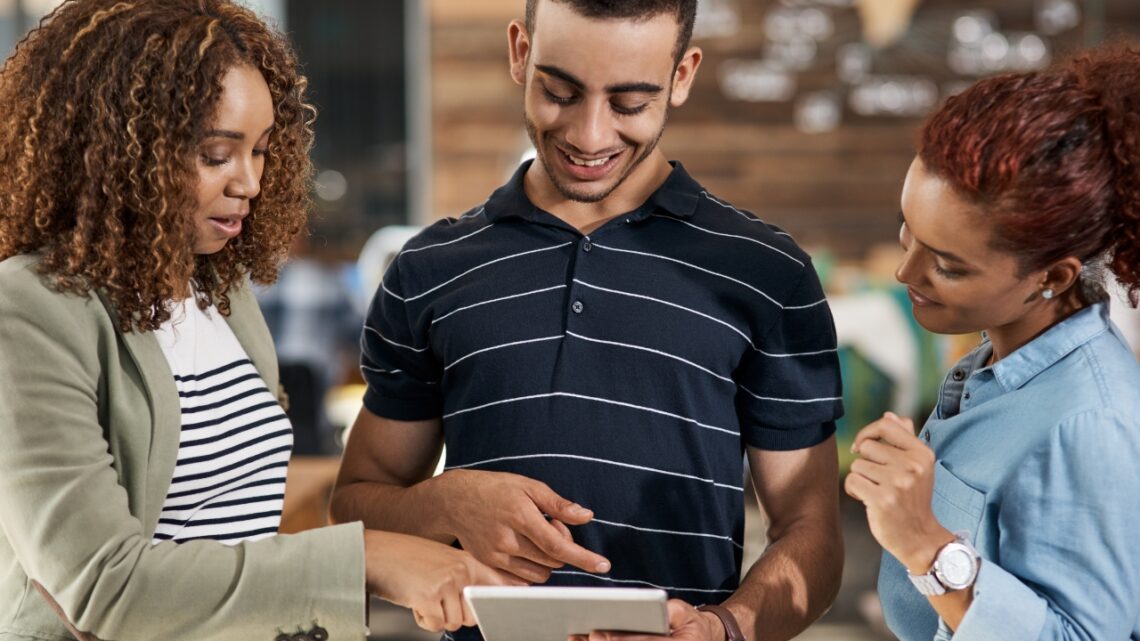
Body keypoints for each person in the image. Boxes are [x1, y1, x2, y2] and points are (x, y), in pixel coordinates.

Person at [330, 1, 845, 640]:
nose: (589, 136)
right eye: (560, 92)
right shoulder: (430, 269)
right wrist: (442, 501)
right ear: (521, 53)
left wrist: (724, 630)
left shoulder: (768, 273)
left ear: (682, 76)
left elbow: (813, 533)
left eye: (629, 104)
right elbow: (353, 505)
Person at [0, 2, 511, 640]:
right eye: (217, 154)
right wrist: (367, 560)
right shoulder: (29, 307)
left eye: (262, 152)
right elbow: (105, 585)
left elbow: (236, 542)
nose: (249, 182)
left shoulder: (221, 292)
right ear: (118, 152)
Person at [845, 44, 1140, 640]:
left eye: (948, 266)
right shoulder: (997, 363)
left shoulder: (1089, 426)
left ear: (1052, 277)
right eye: (908, 233)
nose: (906, 274)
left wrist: (924, 543)